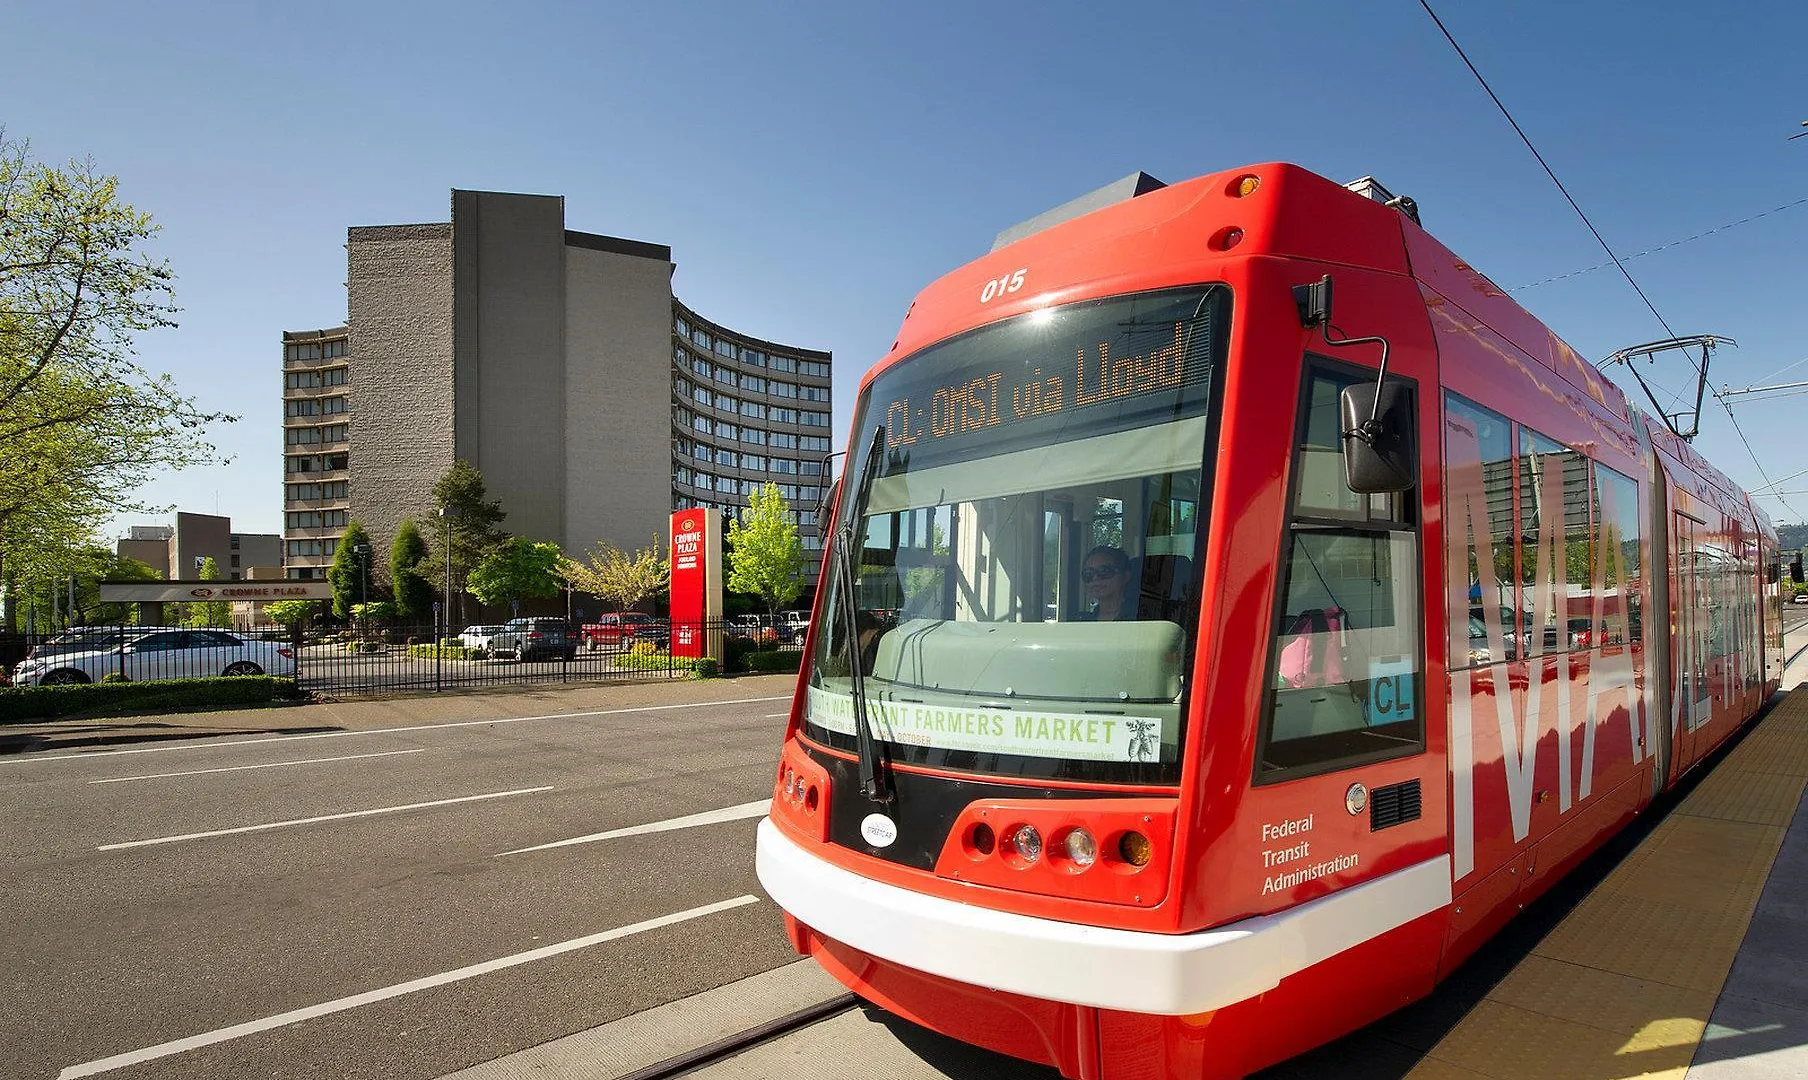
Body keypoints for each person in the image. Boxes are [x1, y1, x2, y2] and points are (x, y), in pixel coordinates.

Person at [1080, 545, 1133, 622]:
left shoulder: (1138, 617)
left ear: (1125, 576)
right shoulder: (1082, 622)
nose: (1095, 578)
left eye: (1104, 571)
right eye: (1088, 574)